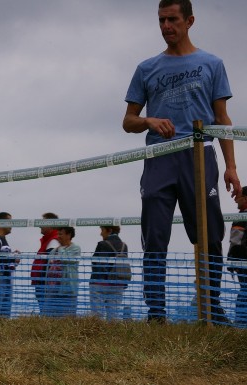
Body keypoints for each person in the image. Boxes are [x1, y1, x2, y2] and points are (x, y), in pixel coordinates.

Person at [123, 0, 239, 324]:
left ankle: (211, 307)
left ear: (189, 21)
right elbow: (128, 121)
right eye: (161, 20)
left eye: (172, 19)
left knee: (209, 234)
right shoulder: (146, 68)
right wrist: (149, 121)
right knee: (155, 237)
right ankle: (156, 313)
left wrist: (231, 167)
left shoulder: (212, 63)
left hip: (199, 155)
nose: (166, 27)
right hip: (158, 157)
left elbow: (222, 118)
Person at [90, 226, 130, 321]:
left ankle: (98, 335)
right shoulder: (124, 246)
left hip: (99, 283)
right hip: (118, 284)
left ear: (110, 230)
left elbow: (95, 262)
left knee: (97, 316)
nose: (101, 233)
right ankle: (112, 334)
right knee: (113, 316)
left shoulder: (102, 244)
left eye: (102, 230)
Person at [45, 226, 80, 317]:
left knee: (68, 319)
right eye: (58, 234)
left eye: (60, 234)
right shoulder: (53, 251)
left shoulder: (75, 248)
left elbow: (65, 258)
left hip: (68, 289)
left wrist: (61, 247)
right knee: (50, 318)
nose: (58, 236)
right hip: (52, 290)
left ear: (68, 235)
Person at [31, 212, 60, 316]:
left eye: (42, 223)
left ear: (50, 225)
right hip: (43, 285)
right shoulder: (49, 241)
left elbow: (51, 268)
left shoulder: (53, 242)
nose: (40, 225)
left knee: (47, 314)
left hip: (45, 286)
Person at [227, 186, 247, 326]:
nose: (235, 200)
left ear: (245, 199)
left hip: (243, 263)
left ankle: (240, 324)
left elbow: (235, 244)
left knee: (244, 292)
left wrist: (232, 261)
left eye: (238, 197)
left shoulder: (240, 218)